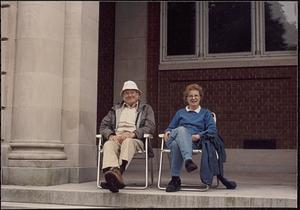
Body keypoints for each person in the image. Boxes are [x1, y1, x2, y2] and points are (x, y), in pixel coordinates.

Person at [163, 83, 236, 192]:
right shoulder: (180, 113)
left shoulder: (206, 113)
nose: (193, 98)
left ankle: (175, 180)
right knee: (181, 130)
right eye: (190, 96)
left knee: (175, 145)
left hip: (193, 142)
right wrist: (167, 131)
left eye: (196, 95)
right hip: (177, 136)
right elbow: (170, 127)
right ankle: (188, 160)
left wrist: (199, 135)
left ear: (200, 97)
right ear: (186, 98)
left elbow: (212, 130)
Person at [99, 80, 155, 193]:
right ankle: (115, 177)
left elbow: (150, 127)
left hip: (136, 140)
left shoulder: (146, 109)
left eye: (132, 92)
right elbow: (103, 126)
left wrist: (132, 134)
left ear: (138, 95)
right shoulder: (115, 109)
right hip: (117, 138)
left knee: (128, 141)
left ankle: (117, 174)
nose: (130, 95)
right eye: (126, 93)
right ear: (123, 96)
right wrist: (110, 135)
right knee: (108, 144)